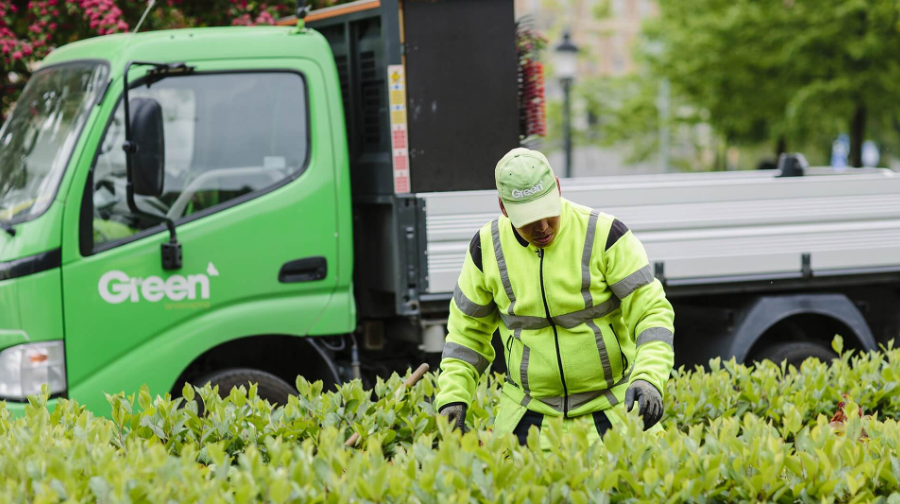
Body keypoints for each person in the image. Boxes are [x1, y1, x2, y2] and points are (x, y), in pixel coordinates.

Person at [434, 148, 674, 446]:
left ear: (558, 189)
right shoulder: (485, 249)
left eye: (548, 213)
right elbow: (466, 336)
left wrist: (648, 378)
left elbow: (652, 313)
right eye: (529, 219)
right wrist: (453, 397)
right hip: (526, 415)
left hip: (613, 410)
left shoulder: (605, 234)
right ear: (504, 208)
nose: (543, 227)